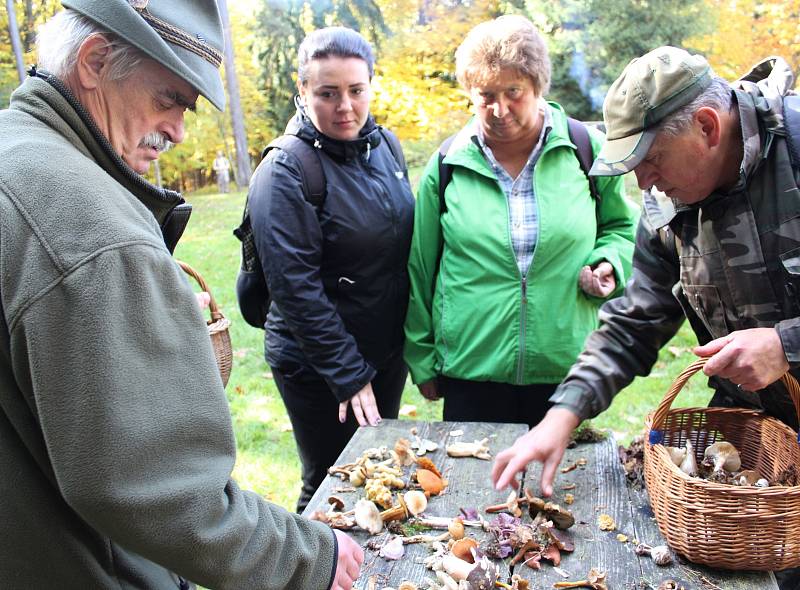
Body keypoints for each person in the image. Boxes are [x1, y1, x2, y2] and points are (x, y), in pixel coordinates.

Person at [0, 2, 362, 588]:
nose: (177, 129)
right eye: (168, 98)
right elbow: (160, 489)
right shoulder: (92, 225)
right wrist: (309, 558)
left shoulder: (13, 150)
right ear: (94, 62)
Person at [492, 46, 800, 499]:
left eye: (651, 161)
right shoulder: (667, 204)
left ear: (708, 128)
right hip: (761, 447)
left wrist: (785, 345)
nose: (643, 183)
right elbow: (634, 321)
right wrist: (561, 416)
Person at [403, 15, 637, 428]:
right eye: (485, 95)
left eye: (513, 91)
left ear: (537, 86)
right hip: (470, 368)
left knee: (565, 488)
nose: (499, 109)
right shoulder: (446, 166)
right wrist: (422, 359)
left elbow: (621, 228)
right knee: (472, 488)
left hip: (568, 364)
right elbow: (421, 268)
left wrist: (609, 264)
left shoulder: (587, 150)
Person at [248, 27, 415, 513]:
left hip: (383, 353)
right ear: (303, 92)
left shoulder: (385, 148)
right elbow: (294, 288)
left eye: (356, 90)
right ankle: (311, 570)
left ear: (370, 86)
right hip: (317, 363)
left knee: (376, 471)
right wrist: (347, 372)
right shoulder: (285, 171)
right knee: (329, 483)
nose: (345, 106)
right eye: (327, 93)